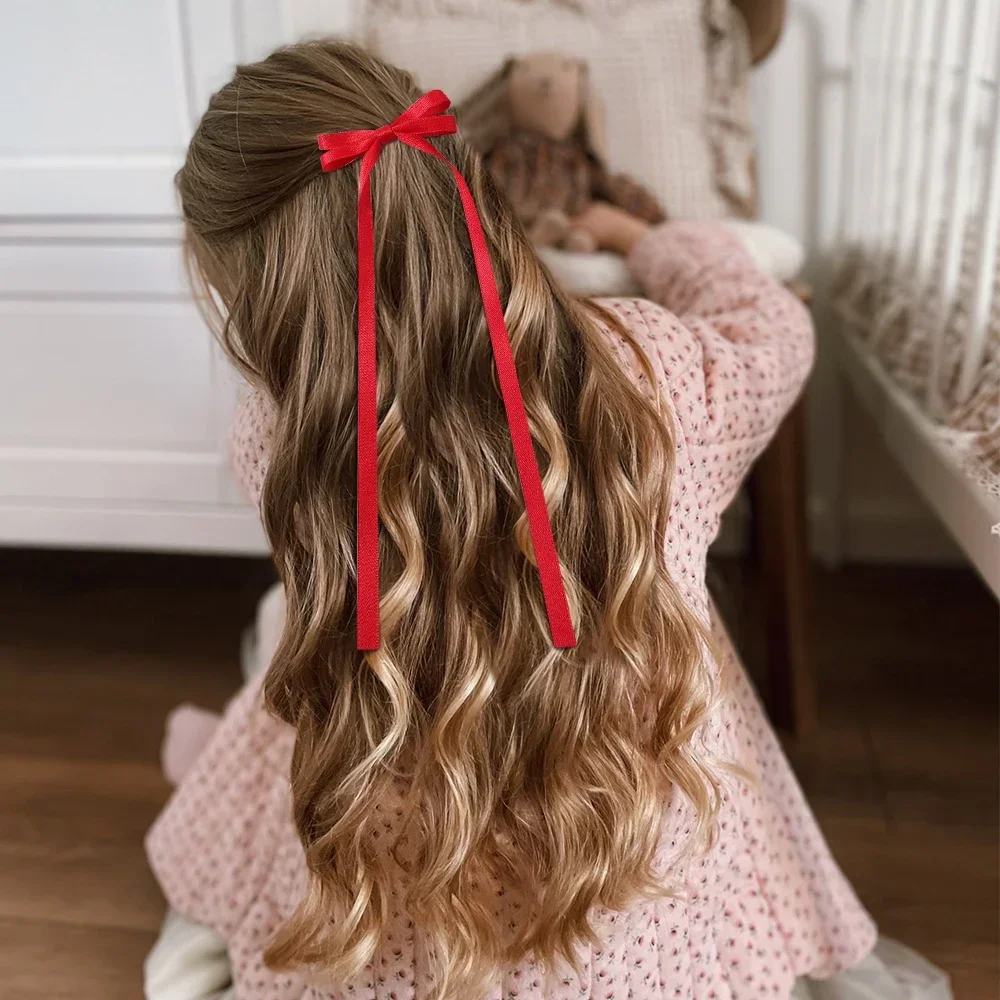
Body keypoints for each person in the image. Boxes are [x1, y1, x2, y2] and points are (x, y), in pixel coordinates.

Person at [145, 38, 946, 1000]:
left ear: (255, 295)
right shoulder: (657, 377)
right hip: (631, 859)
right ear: (460, 193)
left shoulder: (280, 441)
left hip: (405, 856)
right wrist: (646, 241)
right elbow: (775, 328)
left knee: (294, 676)